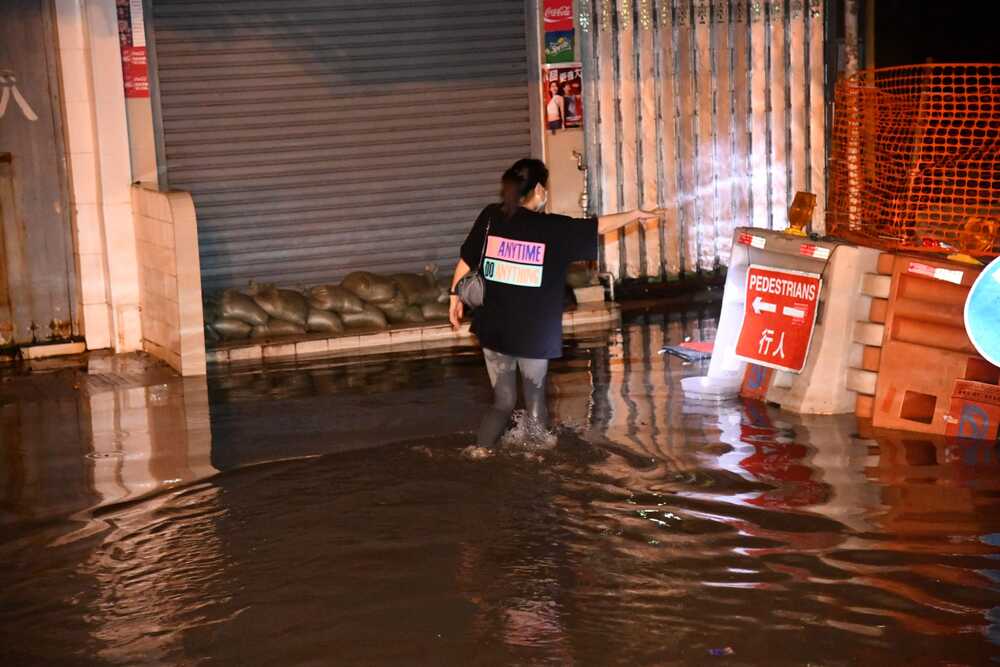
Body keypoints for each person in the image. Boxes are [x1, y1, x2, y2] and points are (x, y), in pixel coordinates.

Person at [449, 158, 659, 457]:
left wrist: (454, 298)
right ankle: (540, 464)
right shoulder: (552, 227)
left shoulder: (491, 216)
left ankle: (479, 453)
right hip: (533, 332)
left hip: (493, 326)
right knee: (535, 403)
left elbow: (467, 259)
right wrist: (635, 214)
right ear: (537, 189)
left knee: (502, 402)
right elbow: (597, 227)